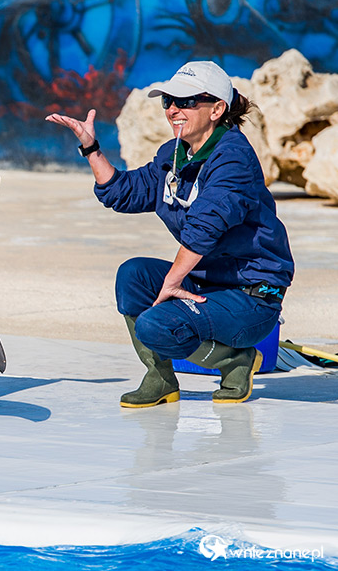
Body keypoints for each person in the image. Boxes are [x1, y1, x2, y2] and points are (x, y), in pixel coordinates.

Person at [46, 60, 294, 407]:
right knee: (133, 275)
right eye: (168, 101)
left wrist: (173, 282)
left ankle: (236, 360)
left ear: (217, 109)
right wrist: (91, 148)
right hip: (207, 284)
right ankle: (160, 379)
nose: (174, 109)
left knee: (156, 325)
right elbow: (123, 192)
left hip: (250, 296)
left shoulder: (233, 158)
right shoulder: (174, 156)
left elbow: (205, 227)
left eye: (186, 101)